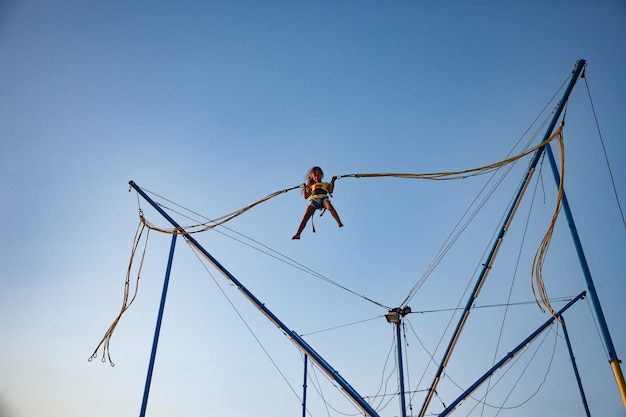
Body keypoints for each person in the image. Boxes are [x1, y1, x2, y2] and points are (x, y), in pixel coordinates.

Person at [292, 166, 343, 240]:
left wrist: (333, 181)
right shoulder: (311, 186)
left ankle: (339, 222)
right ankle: (298, 234)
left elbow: (331, 190)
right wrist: (304, 188)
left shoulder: (326, 184)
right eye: (315, 175)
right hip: (314, 201)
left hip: (323, 199)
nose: (316, 177)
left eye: (318, 175)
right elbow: (306, 196)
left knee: (329, 206)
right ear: (312, 177)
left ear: (321, 175)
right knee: (306, 216)